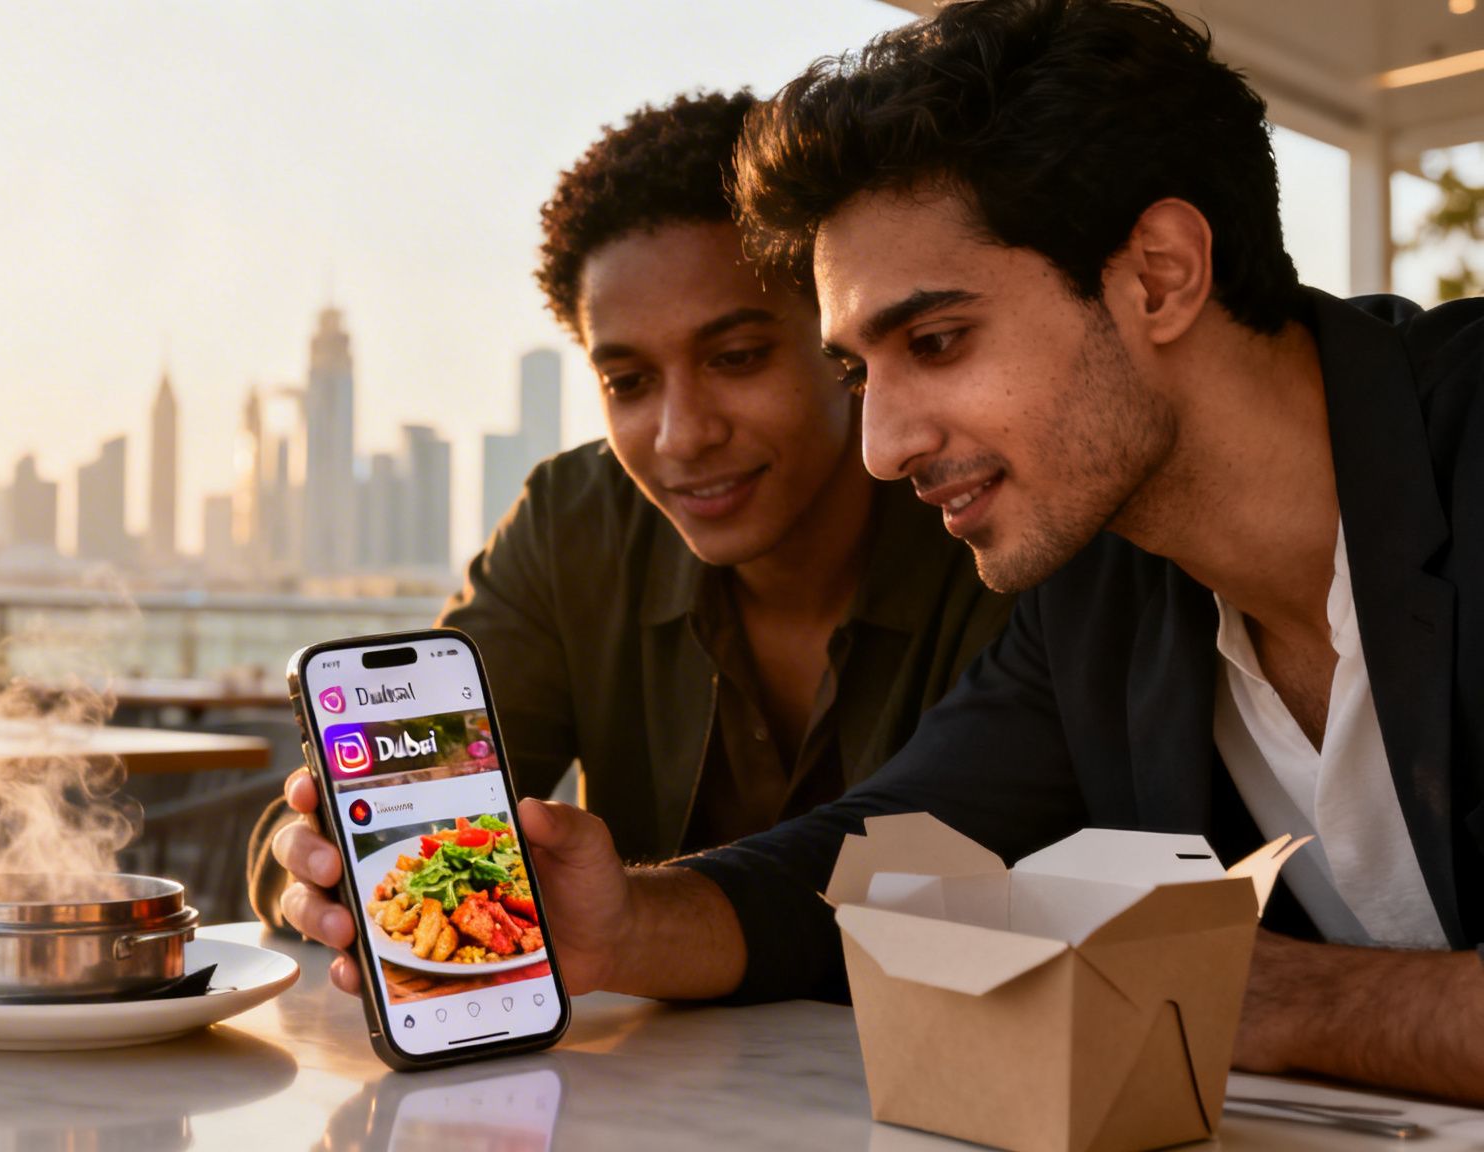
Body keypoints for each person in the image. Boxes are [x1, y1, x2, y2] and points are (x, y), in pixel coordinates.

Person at [283, 0, 1484, 1105]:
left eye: (940, 339)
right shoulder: (1106, 582)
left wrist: (1276, 998)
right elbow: (884, 855)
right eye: (859, 369)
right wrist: (617, 924)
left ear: (1157, 274)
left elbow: (1238, 1001)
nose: (881, 445)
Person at [252, 93, 1011, 947]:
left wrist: (638, 923)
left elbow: (976, 866)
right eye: (629, 383)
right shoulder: (575, 527)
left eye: (736, 359)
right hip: (641, 1084)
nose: (682, 435)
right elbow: (392, 802)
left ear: (840, 340)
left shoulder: (988, 516)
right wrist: (319, 862)